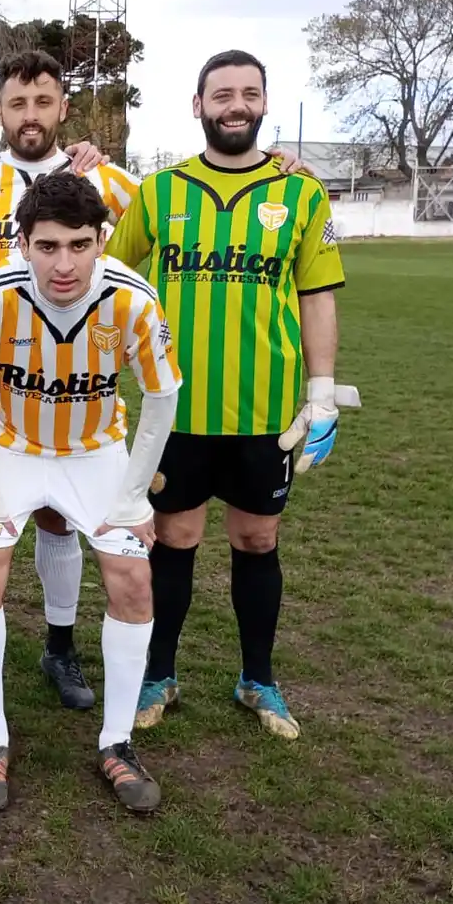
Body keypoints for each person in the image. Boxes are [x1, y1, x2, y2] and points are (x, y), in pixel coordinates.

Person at [106, 50, 349, 741]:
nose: (235, 105)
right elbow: (111, 277)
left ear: (264, 103)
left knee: (258, 537)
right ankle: (158, 674)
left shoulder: (301, 194)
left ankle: (257, 679)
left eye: (248, 93)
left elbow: (317, 296)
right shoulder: (160, 191)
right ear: (198, 105)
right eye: (222, 94)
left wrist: (322, 393)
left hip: (265, 412)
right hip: (176, 408)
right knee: (174, 537)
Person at [0, 171, 181, 813]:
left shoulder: (134, 300)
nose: (65, 264)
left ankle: (118, 742)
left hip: (94, 453)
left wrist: (134, 497)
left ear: (101, 239)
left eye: (79, 245)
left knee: (134, 581)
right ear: (22, 243)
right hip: (9, 448)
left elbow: (161, 398)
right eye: (47, 246)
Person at [0, 50, 139, 712]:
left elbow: (170, 210)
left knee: (58, 519)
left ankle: (60, 644)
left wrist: (280, 167)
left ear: (63, 108)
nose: (30, 115)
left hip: (74, 386)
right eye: (17, 103)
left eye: (43, 102)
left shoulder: (98, 178)